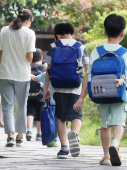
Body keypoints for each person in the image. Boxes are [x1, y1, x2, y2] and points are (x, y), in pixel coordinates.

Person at [73, 14, 127, 166]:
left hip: (101, 93)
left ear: (105, 32)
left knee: (105, 125)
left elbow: (87, 76)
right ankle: (115, 144)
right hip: (120, 94)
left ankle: (106, 156)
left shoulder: (97, 52)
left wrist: (82, 97)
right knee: (119, 123)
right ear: (122, 32)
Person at [0, 9, 35, 147]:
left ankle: (10, 136)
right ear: (28, 20)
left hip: (4, 75)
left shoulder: (4, 30)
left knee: (7, 106)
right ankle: (20, 136)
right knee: (21, 106)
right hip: (22, 75)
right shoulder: (30, 33)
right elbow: (29, 57)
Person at [43, 22, 89, 159]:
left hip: (58, 86)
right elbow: (88, 70)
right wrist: (84, 93)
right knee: (76, 116)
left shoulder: (53, 46)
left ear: (57, 34)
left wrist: (47, 88)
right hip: (75, 87)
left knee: (61, 118)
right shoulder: (81, 46)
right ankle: (74, 134)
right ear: (72, 33)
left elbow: (48, 68)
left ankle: (64, 149)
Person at [30, 72, 58, 147]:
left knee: (49, 122)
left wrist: (26, 72)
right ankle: (54, 140)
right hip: (60, 102)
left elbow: (35, 78)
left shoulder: (47, 74)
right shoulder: (61, 72)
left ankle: (50, 139)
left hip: (49, 103)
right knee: (57, 122)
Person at [26, 48, 46, 141]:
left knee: (30, 112)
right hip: (41, 95)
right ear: (41, 58)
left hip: (29, 94)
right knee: (40, 114)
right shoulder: (44, 68)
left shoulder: (28, 67)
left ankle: (29, 131)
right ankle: (39, 133)